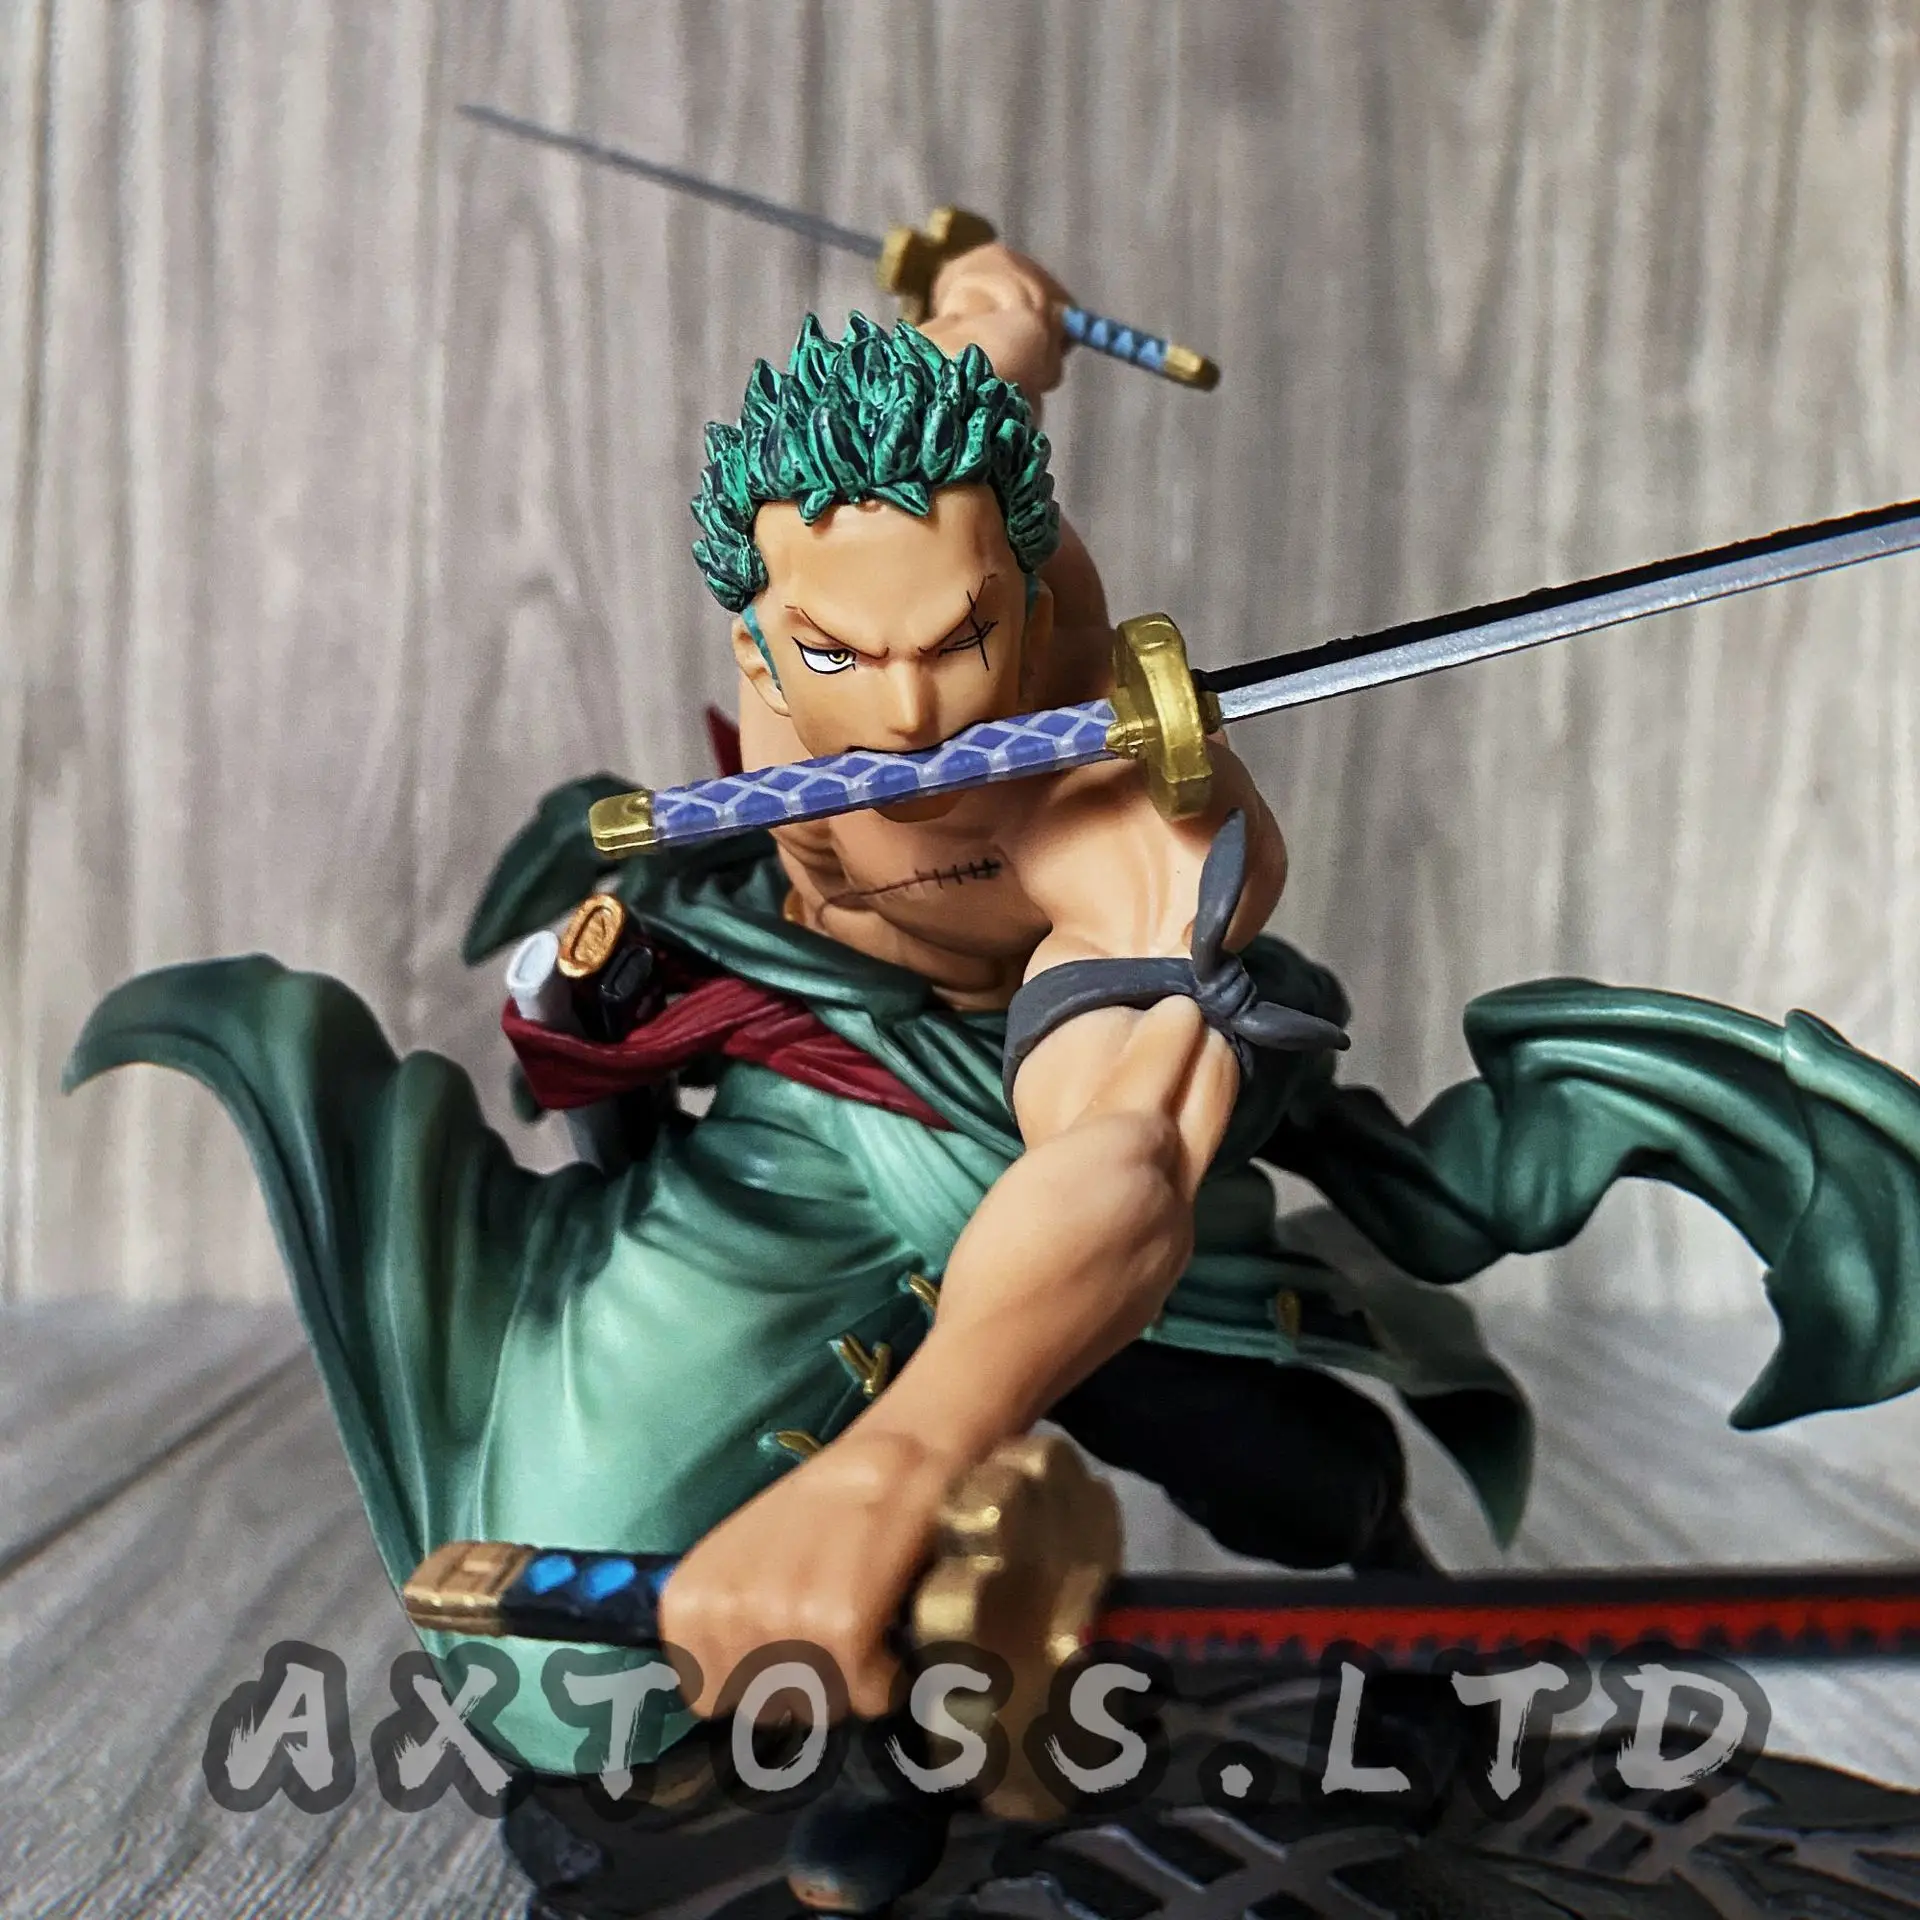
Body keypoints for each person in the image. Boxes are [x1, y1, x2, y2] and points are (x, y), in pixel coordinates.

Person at [66, 244, 1920, 1918]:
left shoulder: (1129, 810)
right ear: (756, 627)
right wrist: (987, 300)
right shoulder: (847, 520)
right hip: (808, 1082)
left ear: (1026, 588)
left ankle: (1393, 1617)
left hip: (1029, 1112)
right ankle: (872, 1744)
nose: (907, 717)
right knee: (554, 1653)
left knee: (1269, 1467)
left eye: (960, 641)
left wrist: (902, 1457)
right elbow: (970, 345)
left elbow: (1120, 1152)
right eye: (835, 658)